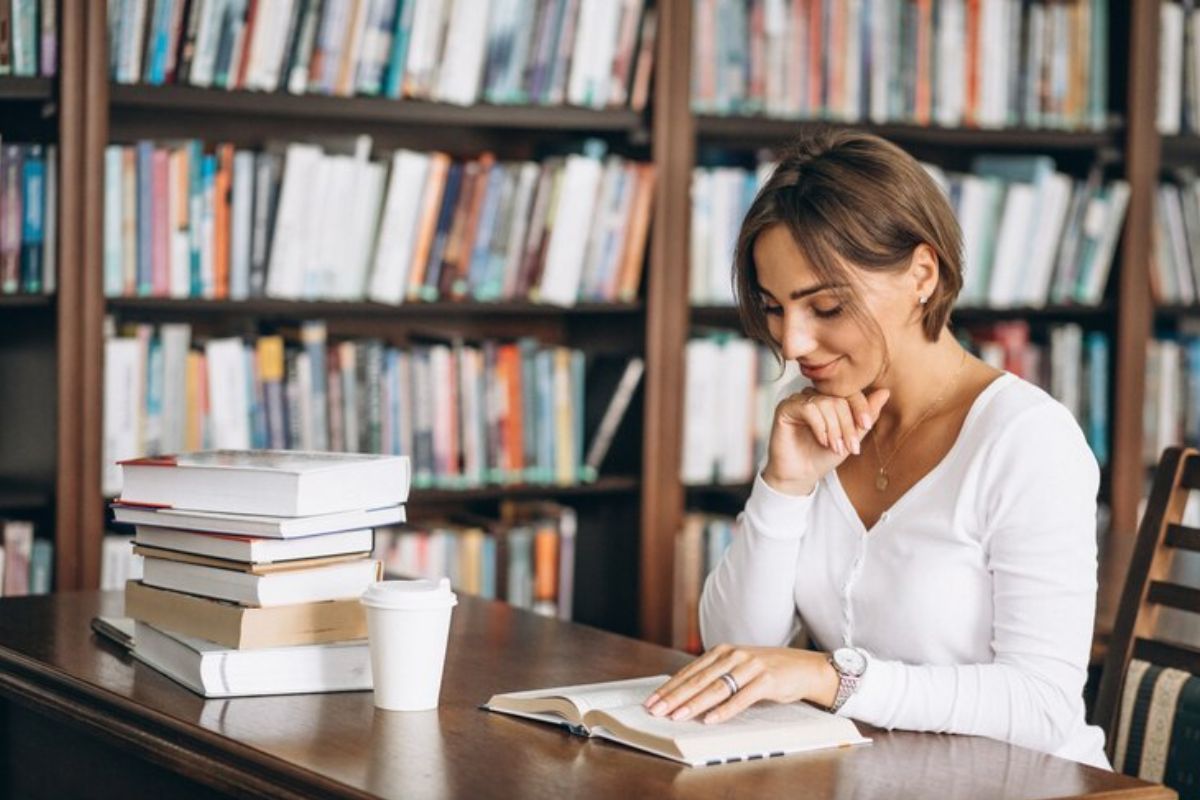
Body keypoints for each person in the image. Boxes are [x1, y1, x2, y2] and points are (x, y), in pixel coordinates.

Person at [643, 129, 1110, 769]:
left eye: (827, 307)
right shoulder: (827, 422)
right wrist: (783, 485)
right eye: (774, 309)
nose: (795, 344)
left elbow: (1041, 705)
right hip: (876, 778)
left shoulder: (1028, 441)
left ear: (922, 273)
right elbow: (739, 653)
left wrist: (829, 677)